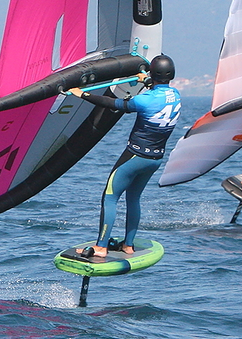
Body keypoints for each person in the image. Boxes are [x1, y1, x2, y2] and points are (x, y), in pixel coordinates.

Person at [68, 54, 181, 258]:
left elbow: (114, 104)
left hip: (135, 156)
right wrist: (145, 80)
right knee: (133, 198)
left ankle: (101, 247)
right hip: (155, 159)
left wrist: (82, 95)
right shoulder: (175, 95)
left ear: (152, 73)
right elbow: (157, 92)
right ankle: (128, 245)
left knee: (110, 197)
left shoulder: (143, 101)